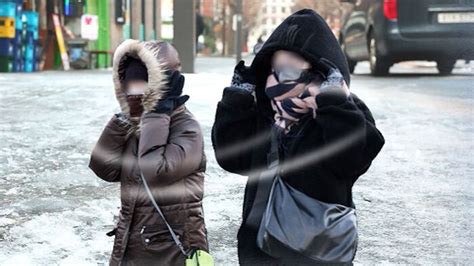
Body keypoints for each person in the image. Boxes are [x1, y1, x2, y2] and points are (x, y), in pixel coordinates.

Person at [212, 9, 385, 264]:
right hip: (259, 248)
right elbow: (232, 158)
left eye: (290, 70)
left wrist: (332, 103)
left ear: (319, 75)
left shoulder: (342, 112)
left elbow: (354, 157)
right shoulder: (268, 114)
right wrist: (237, 98)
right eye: (273, 69)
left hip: (317, 252)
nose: (277, 81)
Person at [89, 39, 208, 265]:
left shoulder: (186, 127)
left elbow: (156, 171)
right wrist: (124, 119)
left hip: (171, 249)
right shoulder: (136, 125)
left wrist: (157, 113)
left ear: (160, 85)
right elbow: (104, 168)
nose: (133, 94)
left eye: (140, 86)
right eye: (128, 85)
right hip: (131, 243)